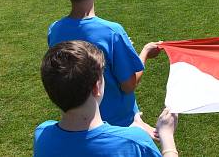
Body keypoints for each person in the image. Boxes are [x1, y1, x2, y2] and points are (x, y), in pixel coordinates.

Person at [48, 0, 161, 136]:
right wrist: (145, 52)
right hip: (119, 123)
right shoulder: (112, 32)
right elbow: (128, 85)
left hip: (78, 121)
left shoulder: (55, 31)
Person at [34, 40, 179, 157]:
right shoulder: (136, 143)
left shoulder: (42, 135)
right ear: (96, 88)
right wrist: (166, 136)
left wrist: (126, 133)